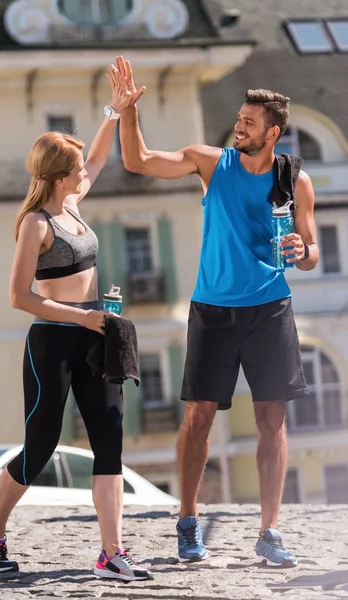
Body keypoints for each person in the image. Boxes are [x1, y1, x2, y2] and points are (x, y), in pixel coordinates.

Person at [114, 55, 318, 567]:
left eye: (249, 123)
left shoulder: (296, 180)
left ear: (272, 133)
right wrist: (126, 113)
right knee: (198, 417)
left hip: (271, 309)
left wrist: (302, 251)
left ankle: (269, 531)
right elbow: (138, 161)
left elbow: (313, 252)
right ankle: (187, 522)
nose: (239, 127)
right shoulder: (211, 162)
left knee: (273, 419)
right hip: (214, 309)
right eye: (239, 120)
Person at [0, 64, 150, 582]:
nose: (83, 175)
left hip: (97, 337)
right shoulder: (36, 224)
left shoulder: (72, 203)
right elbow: (19, 297)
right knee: (42, 443)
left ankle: (111, 553)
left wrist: (114, 111)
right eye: (73, 171)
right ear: (55, 175)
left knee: (109, 440)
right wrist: (82, 317)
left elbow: (96, 157)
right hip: (53, 342)